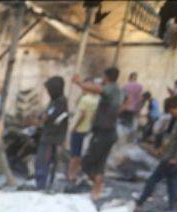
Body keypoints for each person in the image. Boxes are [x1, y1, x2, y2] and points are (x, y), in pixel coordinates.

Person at [134, 96, 177, 211]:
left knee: (153, 179)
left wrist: (175, 158)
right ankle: (172, 207)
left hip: (172, 157)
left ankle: (140, 202)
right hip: (175, 156)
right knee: (171, 182)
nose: (172, 114)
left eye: (173, 111)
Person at [72, 67, 122, 201]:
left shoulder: (111, 89)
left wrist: (79, 83)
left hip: (104, 134)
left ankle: (98, 185)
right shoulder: (117, 90)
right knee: (99, 164)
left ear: (107, 77)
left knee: (87, 163)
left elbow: (97, 89)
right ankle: (97, 190)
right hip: (107, 132)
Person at [35, 76, 68, 191]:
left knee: (43, 161)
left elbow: (48, 116)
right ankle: (43, 184)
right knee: (45, 162)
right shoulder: (55, 100)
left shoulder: (60, 102)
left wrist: (40, 118)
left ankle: (42, 186)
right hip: (49, 135)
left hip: (52, 137)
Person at [66, 80, 100, 182]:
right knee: (80, 154)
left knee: (74, 154)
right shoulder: (97, 100)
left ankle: (71, 175)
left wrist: (74, 127)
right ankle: (76, 174)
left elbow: (82, 114)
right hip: (87, 129)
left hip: (79, 129)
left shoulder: (85, 99)